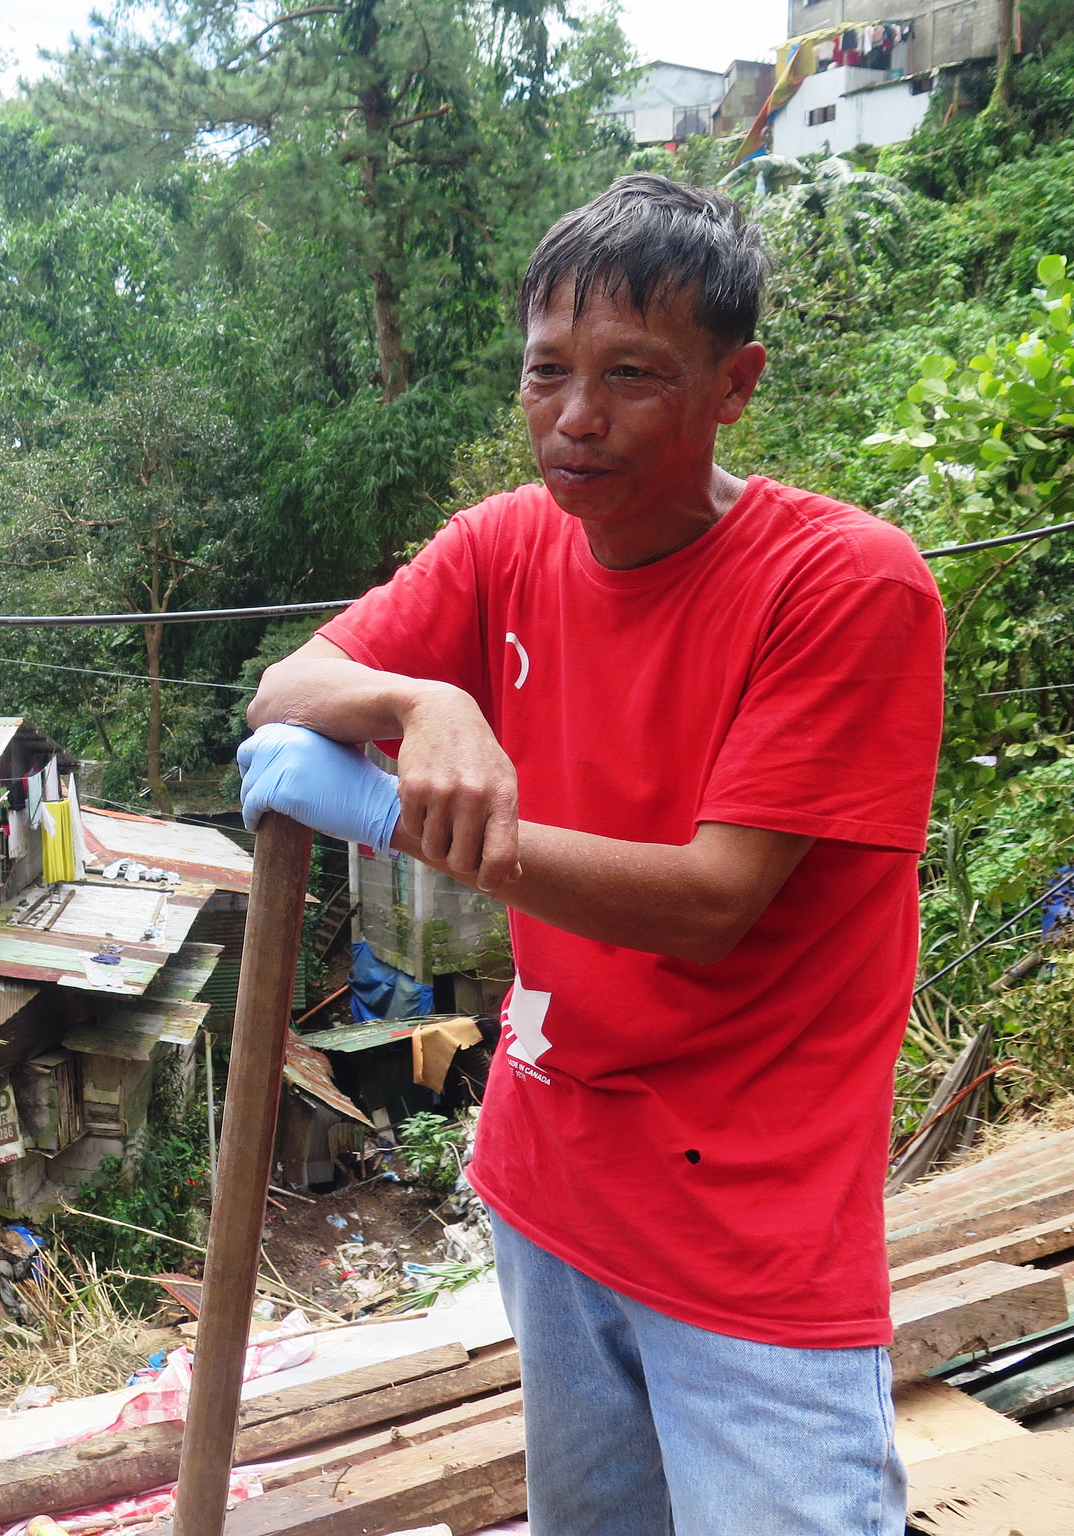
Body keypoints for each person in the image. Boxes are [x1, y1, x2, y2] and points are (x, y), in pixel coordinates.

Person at [239, 173, 945, 1535]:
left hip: (753, 1221)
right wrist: (417, 701)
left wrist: (399, 817)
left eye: (632, 375)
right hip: (554, 1181)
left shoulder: (844, 585)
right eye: (546, 372)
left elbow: (712, 903)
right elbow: (288, 686)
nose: (575, 417)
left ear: (735, 384)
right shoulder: (506, 546)